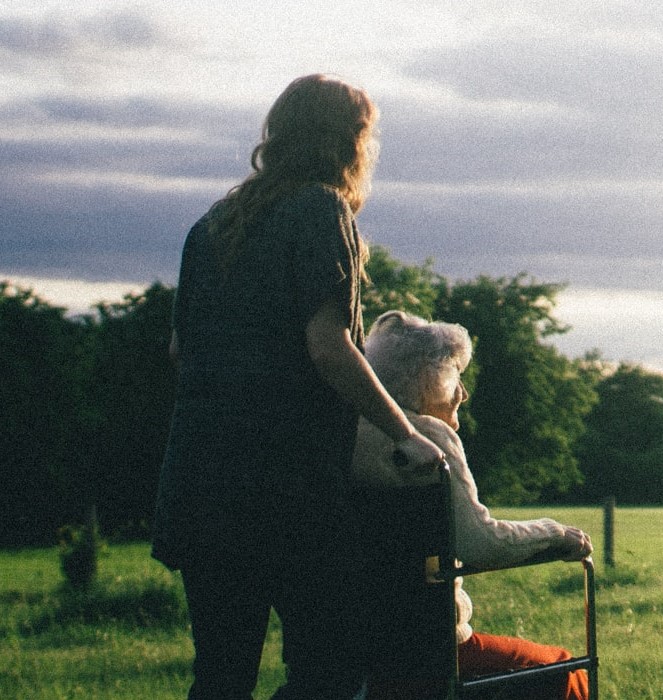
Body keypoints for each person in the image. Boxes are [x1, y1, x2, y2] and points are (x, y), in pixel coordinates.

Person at [151, 76, 445, 700]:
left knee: (221, 676)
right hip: (285, 491)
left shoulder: (213, 223)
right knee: (329, 670)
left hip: (201, 483)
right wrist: (406, 433)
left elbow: (183, 349)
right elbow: (328, 346)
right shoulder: (319, 209)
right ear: (350, 141)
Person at [352, 310, 593, 700]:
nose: (462, 393)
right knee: (561, 670)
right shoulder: (427, 438)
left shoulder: (344, 431)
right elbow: (481, 543)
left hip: (353, 647)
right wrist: (556, 533)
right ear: (427, 380)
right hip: (431, 653)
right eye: (455, 376)